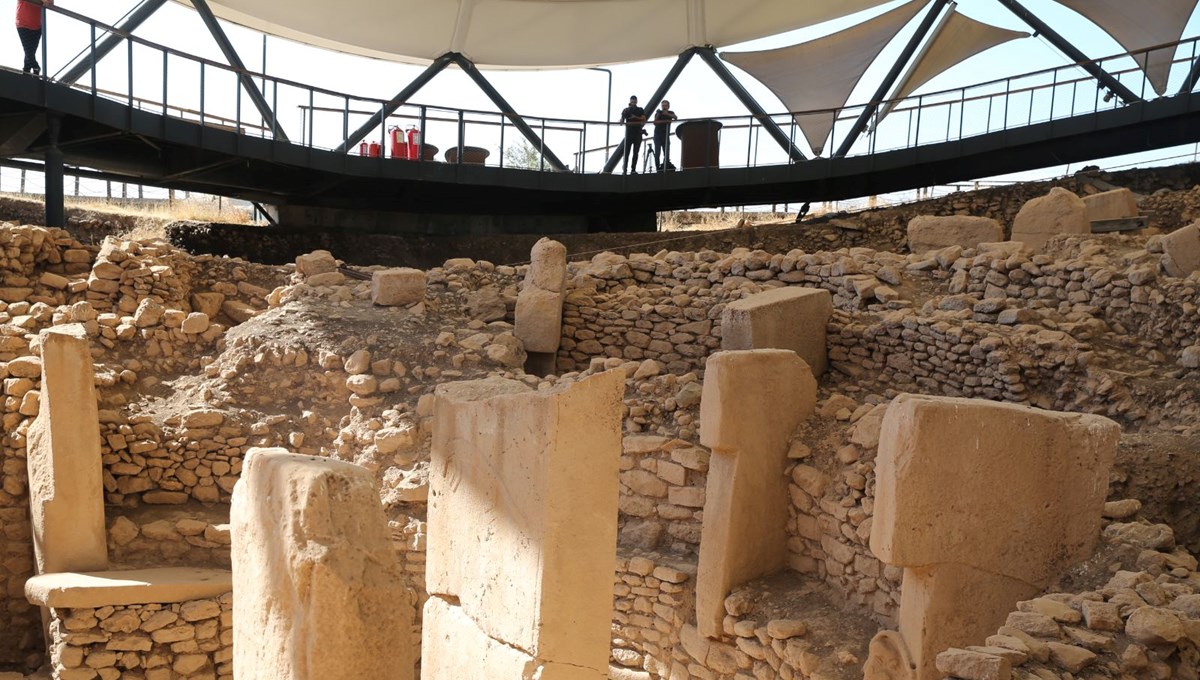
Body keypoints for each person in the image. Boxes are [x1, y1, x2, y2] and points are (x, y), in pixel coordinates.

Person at [15, 0, 52, 76]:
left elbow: (51, 3)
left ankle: (26, 73)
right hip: (23, 23)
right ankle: (36, 67)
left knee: (30, 52)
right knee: (29, 53)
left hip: (37, 26)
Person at [620, 95, 646, 175]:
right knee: (626, 153)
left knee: (635, 153)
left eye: (634, 102)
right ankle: (625, 169)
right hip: (629, 134)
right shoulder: (626, 110)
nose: (633, 103)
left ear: (636, 101)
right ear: (630, 102)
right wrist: (622, 117)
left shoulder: (640, 109)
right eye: (632, 102)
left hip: (638, 133)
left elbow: (644, 119)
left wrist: (635, 117)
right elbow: (621, 122)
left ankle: (633, 170)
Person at [652, 100, 677, 172]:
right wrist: (659, 115)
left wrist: (667, 114)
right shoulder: (658, 113)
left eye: (665, 105)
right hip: (657, 135)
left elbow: (675, 117)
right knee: (657, 152)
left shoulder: (670, 112)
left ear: (668, 106)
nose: (664, 107)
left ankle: (665, 166)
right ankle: (658, 168)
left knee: (666, 152)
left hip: (665, 136)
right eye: (663, 105)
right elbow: (655, 122)